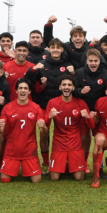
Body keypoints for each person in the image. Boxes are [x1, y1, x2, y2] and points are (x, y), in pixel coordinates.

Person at [26, 38, 75, 170]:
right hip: (43, 104)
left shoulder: (68, 64)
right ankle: (47, 162)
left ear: (61, 49)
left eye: (57, 47)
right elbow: (28, 83)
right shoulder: (41, 64)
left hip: (63, 106)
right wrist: (33, 71)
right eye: (52, 47)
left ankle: (67, 160)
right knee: (43, 131)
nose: (55, 50)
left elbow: (73, 85)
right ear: (48, 49)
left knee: (66, 132)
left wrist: (73, 74)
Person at [0, 79, 47, 182]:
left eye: (25, 88)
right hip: (12, 150)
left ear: (29, 92)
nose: (23, 90)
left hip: (29, 150)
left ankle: (27, 166)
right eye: (20, 88)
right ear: (16, 91)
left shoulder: (36, 108)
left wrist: (44, 126)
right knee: (4, 180)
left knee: (36, 180)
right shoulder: (8, 107)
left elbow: (44, 132)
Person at [45, 75, 95, 181]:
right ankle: (64, 165)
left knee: (79, 177)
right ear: (60, 87)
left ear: (73, 88)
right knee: (54, 178)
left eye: (69, 85)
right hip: (59, 144)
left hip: (75, 145)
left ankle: (69, 165)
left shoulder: (80, 103)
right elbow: (46, 127)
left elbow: (92, 126)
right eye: (64, 85)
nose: (66, 87)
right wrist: (49, 117)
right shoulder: (52, 103)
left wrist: (88, 117)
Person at [75, 48, 107, 166]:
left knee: (99, 137)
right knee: (84, 137)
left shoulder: (106, 74)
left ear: (99, 61)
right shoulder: (79, 72)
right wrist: (80, 90)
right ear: (87, 61)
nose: (93, 63)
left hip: (99, 112)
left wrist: (99, 110)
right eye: (91, 60)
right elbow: (73, 90)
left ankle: (100, 163)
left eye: (95, 61)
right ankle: (84, 162)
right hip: (83, 111)